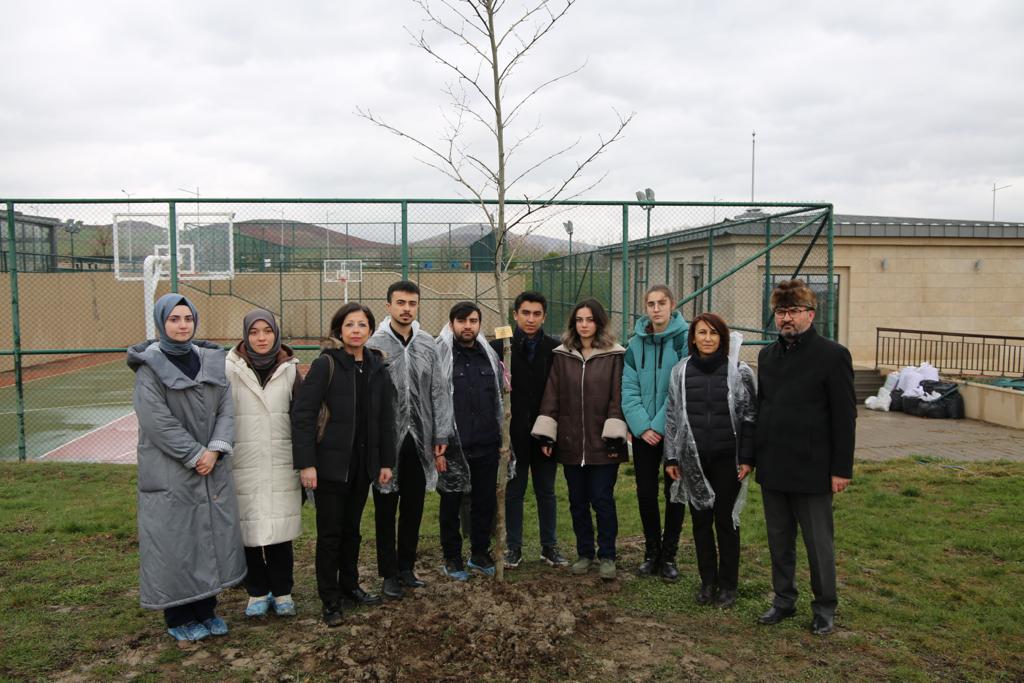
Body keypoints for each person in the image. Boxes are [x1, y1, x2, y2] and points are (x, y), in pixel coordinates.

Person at [127, 293, 244, 642]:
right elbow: (156, 421)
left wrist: (216, 450)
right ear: (161, 323)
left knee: (208, 536)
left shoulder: (210, 361)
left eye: (188, 319)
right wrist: (194, 454)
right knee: (175, 543)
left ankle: (206, 610)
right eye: (174, 319)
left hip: (212, 466)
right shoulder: (149, 369)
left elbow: (226, 409)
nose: (182, 325)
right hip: (171, 470)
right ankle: (178, 616)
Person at [750, 279, 856, 636]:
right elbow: (762, 408)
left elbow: (845, 416)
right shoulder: (767, 356)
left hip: (813, 469)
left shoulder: (832, 355)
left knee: (818, 543)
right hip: (774, 465)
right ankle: (783, 599)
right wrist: (754, 456)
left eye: (794, 311)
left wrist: (841, 469)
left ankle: (825, 606)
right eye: (781, 311)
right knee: (779, 541)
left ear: (810, 314)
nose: (786, 318)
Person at [292, 303, 396, 628]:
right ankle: (330, 599)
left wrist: (386, 461)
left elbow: (386, 418)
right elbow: (303, 414)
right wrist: (307, 464)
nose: (356, 330)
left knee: (352, 531)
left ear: (370, 330)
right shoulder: (326, 364)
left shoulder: (377, 366)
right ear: (339, 330)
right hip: (330, 466)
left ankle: (350, 586)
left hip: (362, 466)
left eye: (362, 325)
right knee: (330, 534)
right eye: (349, 324)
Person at [662, 313, 756, 608]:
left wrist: (747, 457)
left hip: (728, 460)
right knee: (701, 523)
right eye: (702, 332)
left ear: (722, 338)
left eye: (714, 333)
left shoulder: (738, 371)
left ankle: (728, 585)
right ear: (693, 337)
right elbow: (672, 415)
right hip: (693, 461)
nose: (707, 338)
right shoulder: (680, 371)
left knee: (726, 522)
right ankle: (707, 582)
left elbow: (750, 415)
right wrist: (671, 456)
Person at [367, 281, 453, 600]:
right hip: (387, 441)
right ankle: (388, 574)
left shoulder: (428, 343)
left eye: (412, 303)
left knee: (413, 507)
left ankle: (406, 567)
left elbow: (439, 390)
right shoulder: (374, 345)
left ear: (417, 306)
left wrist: (440, 432)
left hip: (420, 438)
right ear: (388, 306)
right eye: (400, 303)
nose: (406, 309)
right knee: (385, 507)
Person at [532, 298, 628, 581]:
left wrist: (614, 434)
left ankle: (607, 555)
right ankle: (585, 553)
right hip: (571, 442)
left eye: (590, 319)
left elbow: (618, 397)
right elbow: (552, 395)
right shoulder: (563, 355)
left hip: (604, 443)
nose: (584, 325)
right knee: (577, 501)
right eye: (579, 320)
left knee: (602, 499)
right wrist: (548, 435)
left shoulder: (614, 355)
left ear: (599, 322)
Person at [225, 309, 303, 618]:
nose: (261, 338)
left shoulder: (290, 370)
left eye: (267, 331)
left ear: (276, 334)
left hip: (281, 461)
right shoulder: (229, 368)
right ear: (245, 335)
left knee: (280, 530)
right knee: (247, 531)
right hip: (242, 461)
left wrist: (304, 460)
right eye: (254, 332)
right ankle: (256, 591)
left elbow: (302, 419)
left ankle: (283, 591)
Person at [490, 291, 569, 570]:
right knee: (514, 492)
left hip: (545, 433)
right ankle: (513, 547)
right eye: (525, 313)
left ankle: (550, 546)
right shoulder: (501, 347)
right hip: (512, 435)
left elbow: (560, 392)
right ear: (515, 314)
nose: (531, 319)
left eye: (537, 314)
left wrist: (552, 431)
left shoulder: (555, 349)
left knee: (546, 491)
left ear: (544, 316)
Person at [621, 284, 689, 580]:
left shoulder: (685, 340)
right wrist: (642, 426)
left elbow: (683, 386)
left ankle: (669, 555)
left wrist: (659, 426)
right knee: (646, 492)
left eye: (662, 303)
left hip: (674, 430)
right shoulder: (635, 344)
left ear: (672, 304)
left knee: (675, 491)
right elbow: (628, 387)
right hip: (643, 432)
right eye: (651, 304)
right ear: (645, 307)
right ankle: (651, 552)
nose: (656, 309)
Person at [435, 301, 504, 580]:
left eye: (473, 321)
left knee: (484, 502)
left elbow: (498, 396)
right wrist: (439, 439)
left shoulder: (487, 355)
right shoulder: (442, 355)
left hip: (486, 442)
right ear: (452, 323)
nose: (468, 326)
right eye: (462, 321)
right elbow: (435, 398)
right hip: (453, 445)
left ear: (479, 324)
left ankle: (479, 552)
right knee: (451, 502)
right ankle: (452, 556)